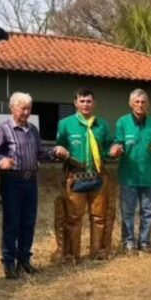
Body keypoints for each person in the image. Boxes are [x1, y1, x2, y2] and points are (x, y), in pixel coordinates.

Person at [0, 92, 69, 278]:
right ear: (12, 108)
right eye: (22, 108)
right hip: (12, 181)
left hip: (31, 181)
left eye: (29, 109)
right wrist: (1, 159)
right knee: (12, 223)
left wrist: (55, 152)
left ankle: (24, 260)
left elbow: (39, 154)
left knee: (28, 221)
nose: (26, 112)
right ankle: (9, 263)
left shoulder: (33, 129)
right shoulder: (3, 129)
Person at [55, 88, 114, 262]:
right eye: (82, 101)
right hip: (75, 177)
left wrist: (113, 151)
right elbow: (59, 146)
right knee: (73, 218)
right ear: (75, 103)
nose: (85, 104)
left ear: (94, 103)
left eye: (89, 101)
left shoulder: (102, 125)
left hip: (98, 176)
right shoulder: (65, 124)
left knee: (99, 217)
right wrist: (59, 151)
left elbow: (108, 148)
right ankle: (71, 255)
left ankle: (98, 252)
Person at [112, 89, 151, 254]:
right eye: (137, 102)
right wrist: (116, 150)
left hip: (149, 175)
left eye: (143, 102)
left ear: (148, 104)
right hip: (129, 175)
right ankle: (128, 242)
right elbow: (118, 143)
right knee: (128, 212)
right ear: (130, 103)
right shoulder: (122, 122)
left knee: (148, 212)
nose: (140, 105)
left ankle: (145, 242)